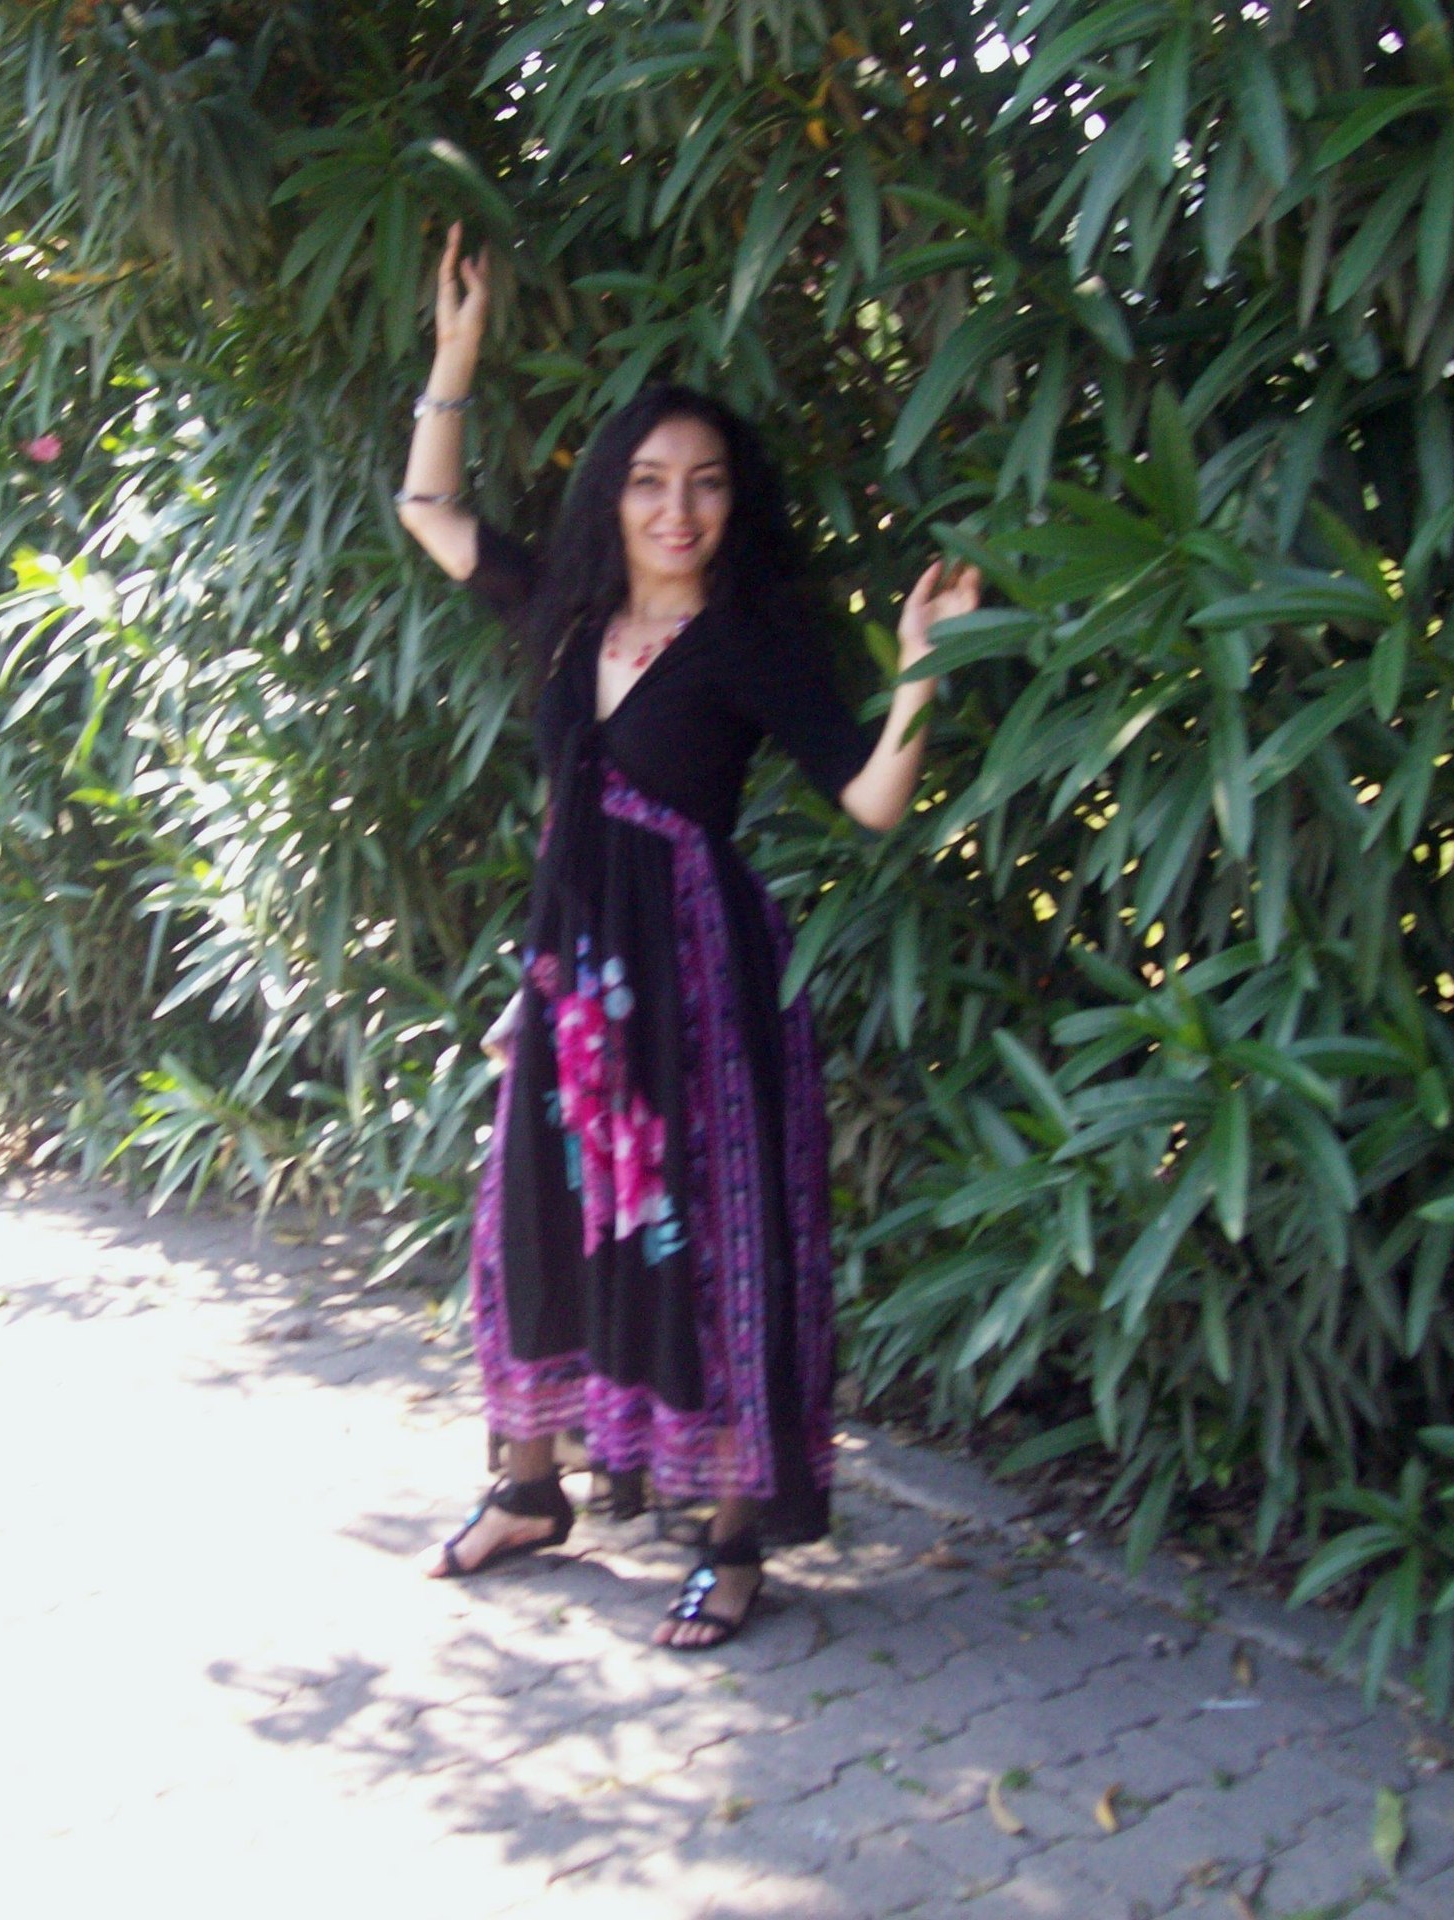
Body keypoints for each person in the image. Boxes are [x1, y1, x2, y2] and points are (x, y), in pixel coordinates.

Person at [395, 223, 981, 1650]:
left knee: (711, 1244)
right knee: (538, 1221)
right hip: (572, 980)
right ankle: (529, 1491)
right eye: (652, 481)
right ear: (614, 493)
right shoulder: (564, 611)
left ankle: (731, 1545)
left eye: (706, 483)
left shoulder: (753, 638)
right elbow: (429, 507)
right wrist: (457, 351)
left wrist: (923, 671)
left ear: (735, 502)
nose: (678, 508)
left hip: (702, 982)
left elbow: (871, 800)